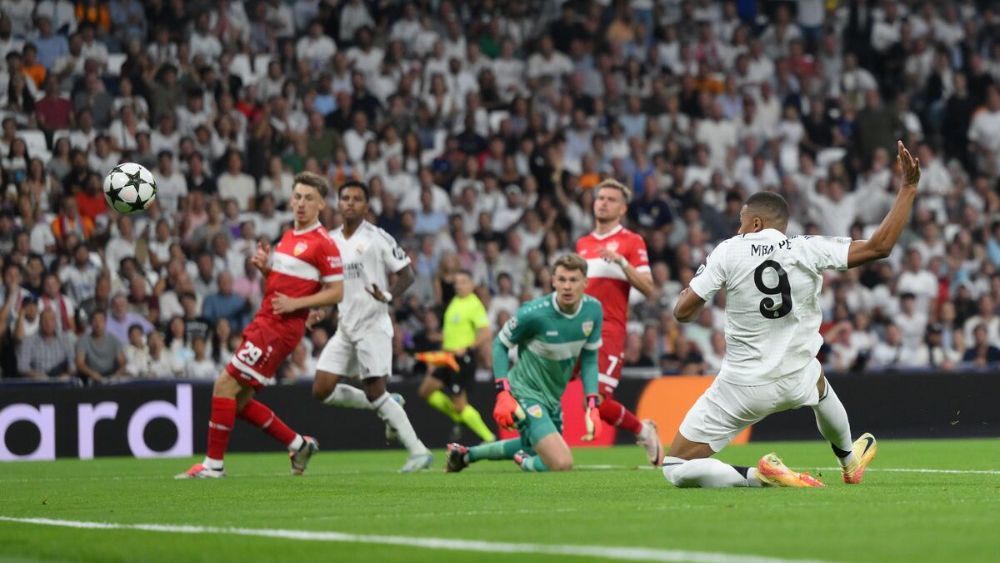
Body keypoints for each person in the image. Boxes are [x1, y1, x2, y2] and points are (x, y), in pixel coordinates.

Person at [662, 141, 921, 489]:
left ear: (755, 222)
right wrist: (907, 188)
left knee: (676, 465)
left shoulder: (729, 250)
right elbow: (879, 247)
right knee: (820, 387)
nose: (738, 228)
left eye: (741, 221)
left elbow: (682, 313)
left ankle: (758, 476)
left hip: (742, 386)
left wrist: (685, 297)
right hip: (796, 375)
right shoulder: (807, 248)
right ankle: (849, 463)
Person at [177, 172, 344, 479]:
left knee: (223, 386)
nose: (301, 204)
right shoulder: (289, 237)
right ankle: (298, 444)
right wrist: (266, 269)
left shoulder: (324, 243)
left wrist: (297, 306)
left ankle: (213, 465)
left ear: (321, 204)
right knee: (238, 401)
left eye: (309, 198)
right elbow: (286, 285)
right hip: (266, 320)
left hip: (278, 329)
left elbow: (336, 291)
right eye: (297, 197)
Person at [310, 180, 434, 473]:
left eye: (356, 199)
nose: (350, 203)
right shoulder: (329, 240)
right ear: (338, 204)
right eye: (345, 198)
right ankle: (390, 404)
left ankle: (419, 450)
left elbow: (407, 274)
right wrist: (320, 307)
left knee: (374, 390)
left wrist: (389, 296)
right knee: (321, 389)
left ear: (366, 206)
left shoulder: (379, 238)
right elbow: (332, 283)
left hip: (373, 325)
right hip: (345, 327)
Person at [445, 254, 603, 473]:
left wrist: (592, 402)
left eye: (573, 280)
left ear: (585, 283)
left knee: (534, 444)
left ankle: (465, 455)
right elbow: (499, 344)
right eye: (562, 279)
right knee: (561, 462)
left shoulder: (593, 311)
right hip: (525, 392)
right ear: (553, 281)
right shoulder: (534, 313)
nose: (567, 286)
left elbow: (589, 357)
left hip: (552, 396)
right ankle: (524, 461)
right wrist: (503, 391)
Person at [575, 178, 661, 464]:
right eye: (600, 198)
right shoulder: (583, 244)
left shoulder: (631, 241)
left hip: (607, 329)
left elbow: (649, 289)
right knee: (545, 385)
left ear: (622, 209)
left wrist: (622, 263)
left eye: (611, 199)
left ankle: (643, 431)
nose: (603, 202)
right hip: (574, 328)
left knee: (598, 403)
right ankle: (535, 444)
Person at [417, 269, 496, 443]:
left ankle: (489, 437)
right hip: (447, 358)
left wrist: (467, 347)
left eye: (462, 282)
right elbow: (452, 333)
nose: (458, 285)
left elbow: (486, 333)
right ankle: (460, 418)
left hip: (461, 360)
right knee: (425, 391)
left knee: (460, 405)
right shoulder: (454, 302)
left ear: (471, 285)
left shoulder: (473, 304)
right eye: (456, 282)